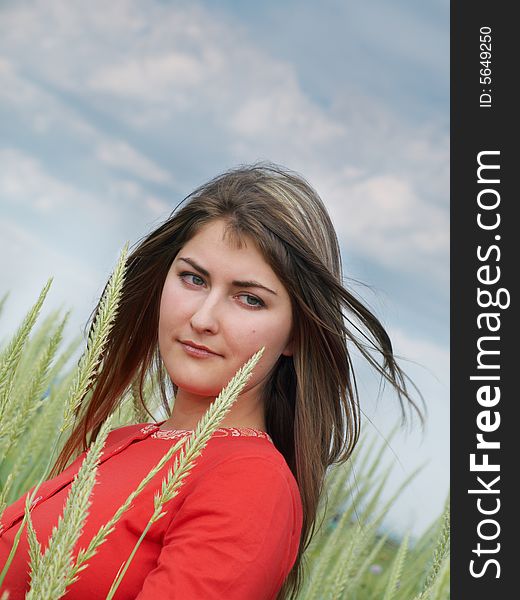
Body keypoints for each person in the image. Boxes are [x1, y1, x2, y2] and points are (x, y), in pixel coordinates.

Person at [0, 163, 423, 599]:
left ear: (295, 335)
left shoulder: (250, 483)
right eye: (193, 278)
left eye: (249, 299)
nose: (202, 318)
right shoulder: (122, 440)